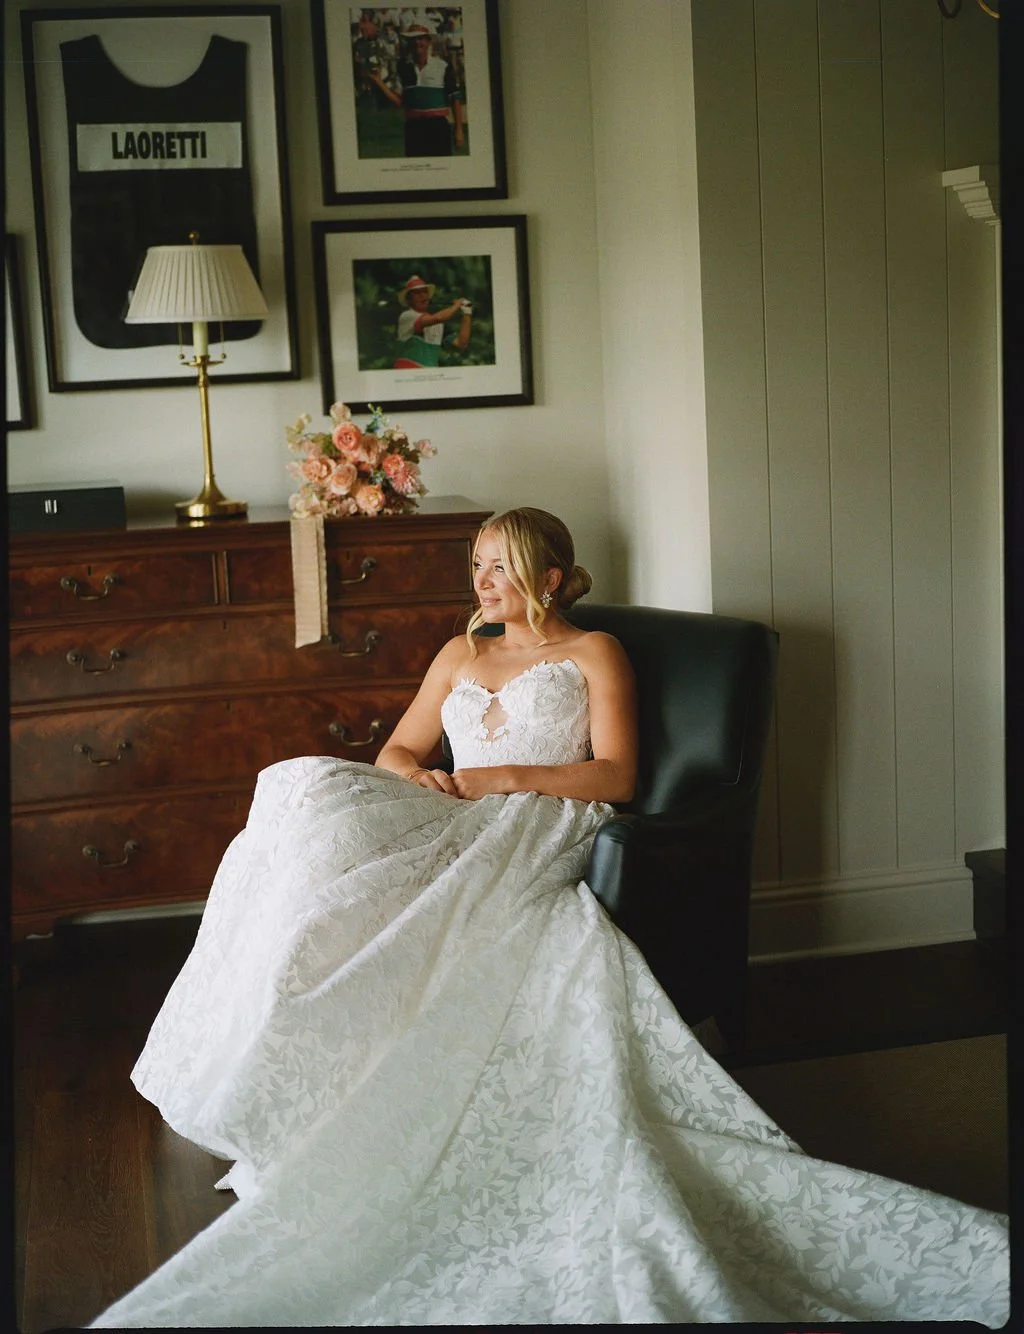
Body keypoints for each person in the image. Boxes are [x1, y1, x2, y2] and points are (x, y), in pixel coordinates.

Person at [90, 508, 1008, 1327]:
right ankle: (296, 1040)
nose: (480, 584)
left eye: (497, 568)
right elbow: (400, 747)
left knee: (401, 875)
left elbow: (617, 776)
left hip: (539, 813)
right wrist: (427, 781)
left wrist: (496, 778)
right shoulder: (460, 652)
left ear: (551, 579)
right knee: (298, 792)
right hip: (454, 803)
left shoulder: (590, 654)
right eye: (477, 566)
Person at [365, 17, 464, 157]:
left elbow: (455, 98)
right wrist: (379, 83)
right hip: (413, 127)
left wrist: (458, 130)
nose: (417, 42)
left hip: (438, 127)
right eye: (413, 39)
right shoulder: (403, 67)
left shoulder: (442, 66)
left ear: (429, 41)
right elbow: (399, 101)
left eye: (421, 38)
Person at [393, 272, 472, 369]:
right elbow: (437, 318)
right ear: (409, 300)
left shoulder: (438, 324)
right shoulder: (407, 316)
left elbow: (461, 343)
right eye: (417, 293)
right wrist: (457, 305)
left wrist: (467, 313)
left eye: (425, 292)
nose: (422, 296)